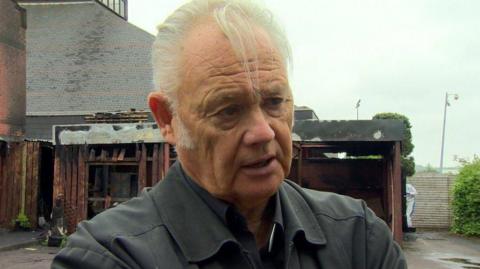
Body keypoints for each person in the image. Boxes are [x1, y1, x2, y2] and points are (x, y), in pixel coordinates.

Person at [52, 0, 407, 268]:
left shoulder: (360, 238)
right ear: (168, 118)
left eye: (274, 101)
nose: (263, 131)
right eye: (228, 110)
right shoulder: (107, 257)